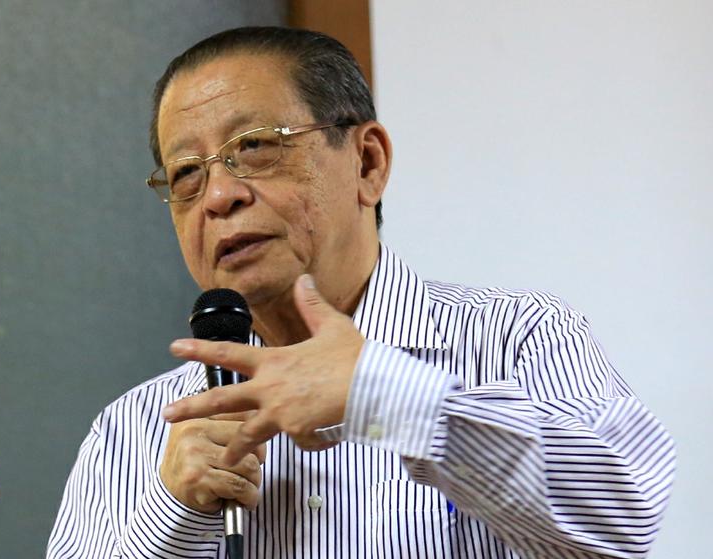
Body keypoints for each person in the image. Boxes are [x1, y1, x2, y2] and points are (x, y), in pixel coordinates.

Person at [47, 27, 675, 559]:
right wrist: (173, 517)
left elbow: (628, 512)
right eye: (187, 174)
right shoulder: (132, 429)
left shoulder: (520, 337)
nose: (218, 197)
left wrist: (380, 391)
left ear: (368, 162)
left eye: (255, 148)